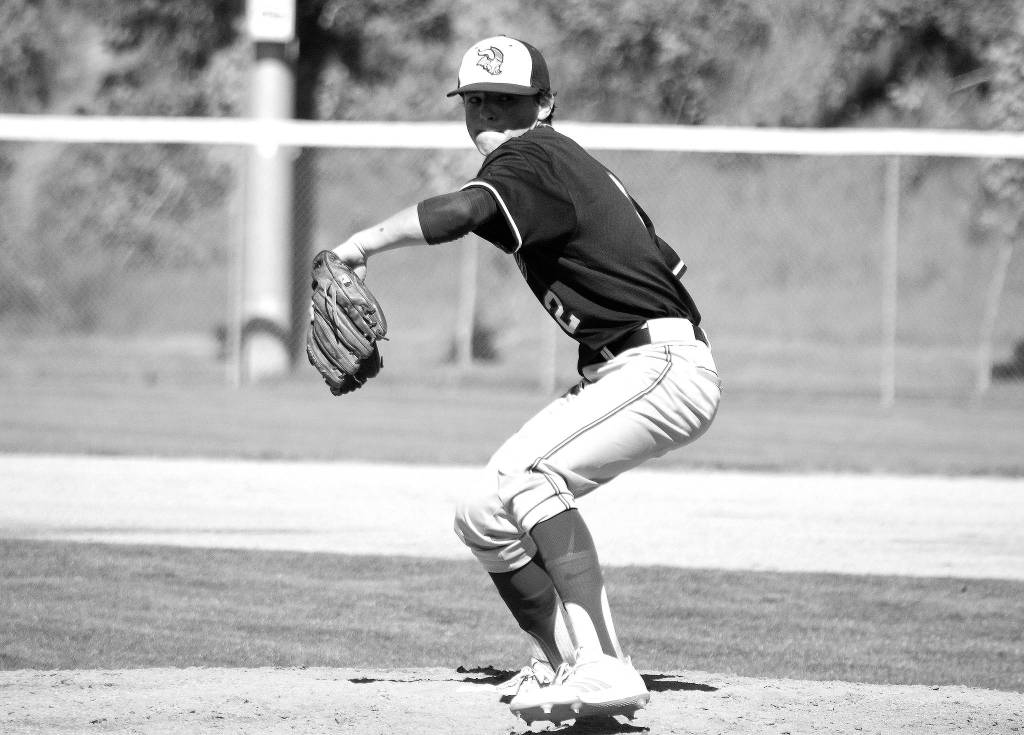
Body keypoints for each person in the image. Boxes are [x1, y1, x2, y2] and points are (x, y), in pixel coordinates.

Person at [330, 35, 722, 724]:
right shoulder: (565, 166)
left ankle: (603, 665)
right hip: (634, 364)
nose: (490, 114)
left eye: (507, 101)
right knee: (482, 509)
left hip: (656, 364)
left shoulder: (531, 155)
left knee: (531, 477)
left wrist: (357, 246)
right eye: (477, 100)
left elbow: (462, 213)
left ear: (545, 104)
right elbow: (666, 263)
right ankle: (565, 659)